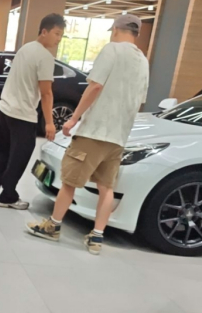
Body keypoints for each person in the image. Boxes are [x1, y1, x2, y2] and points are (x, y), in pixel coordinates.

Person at [27, 14, 150, 255]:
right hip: (118, 136)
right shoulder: (143, 61)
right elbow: (139, 100)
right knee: (106, 187)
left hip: (95, 131)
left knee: (69, 181)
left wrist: (74, 118)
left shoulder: (112, 50)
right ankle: (96, 237)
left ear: (116, 29)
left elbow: (95, 86)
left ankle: (53, 226)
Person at [0, 13, 66, 210]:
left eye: (61, 35)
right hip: (23, 115)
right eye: (56, 33)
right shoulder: (45, 57)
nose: (58, 39)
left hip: (5, 109)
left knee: (3, 151)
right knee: (19, 157)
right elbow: (46, 92)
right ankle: (8, 196)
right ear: (44, 31)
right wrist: (50, 122)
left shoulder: (25, 48)